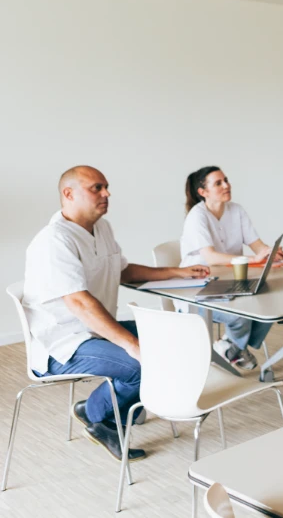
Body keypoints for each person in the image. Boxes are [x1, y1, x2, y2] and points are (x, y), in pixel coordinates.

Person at [22, 166, 209, 461]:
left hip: (95, 331)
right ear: (68, 194)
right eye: (96, 188)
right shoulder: (54, 241)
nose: (106, 193)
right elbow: (81, 303)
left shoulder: (101, 228)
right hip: (62, 343)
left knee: (173, 337)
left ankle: (103, 407)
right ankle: (100, 418)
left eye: (106, 187)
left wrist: (177, 271)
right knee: (143, 365)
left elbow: (123, 270)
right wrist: (132, 345)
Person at [180, 166, 283, 370]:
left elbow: (257, 245)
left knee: (271, 303)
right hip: (195, 291)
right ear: (203, 192)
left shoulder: (237, 210)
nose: (226, 185)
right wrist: (254, 259)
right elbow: (210, 257)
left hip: (230, 284)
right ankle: (234, 348)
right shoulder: (196, 216)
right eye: (218, 183)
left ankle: (231, 347)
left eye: (226, 180)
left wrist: (270, 252)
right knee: (240, 314)